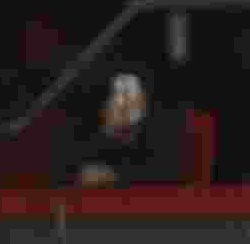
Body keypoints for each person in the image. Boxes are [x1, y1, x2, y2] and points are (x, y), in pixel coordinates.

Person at [53, 71, 186, 188]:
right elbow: (67, 174)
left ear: (144, 102)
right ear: (104, 107)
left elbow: (168, 175)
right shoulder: (86, 135)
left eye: (131, 96)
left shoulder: (161, 134)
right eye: (117, 96)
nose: (124, 104)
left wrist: (114, 177)